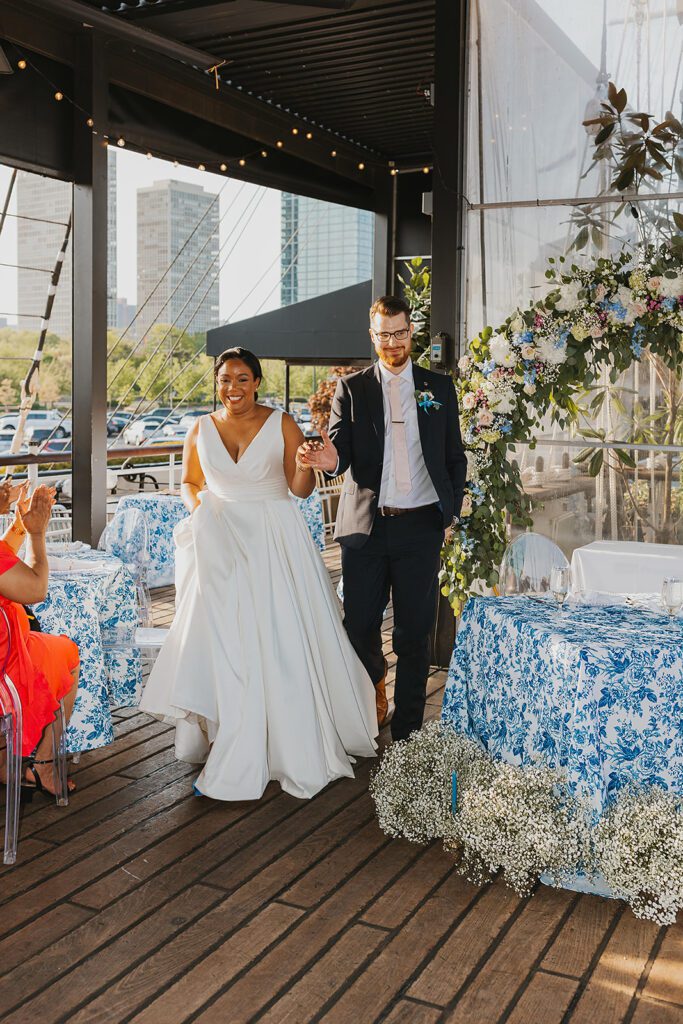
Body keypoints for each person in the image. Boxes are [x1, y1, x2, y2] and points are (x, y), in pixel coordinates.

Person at [140, 347, 377, 801]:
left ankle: (282, 739)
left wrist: (307, 465)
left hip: (273, 539)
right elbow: (191, 482)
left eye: (243, 379)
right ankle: (224, 730)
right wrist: (202, 512)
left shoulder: (281, 422)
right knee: (222, 637)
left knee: (277, 636)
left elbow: (300, 490)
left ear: (257, 381)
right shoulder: (199, 428)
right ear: (217, 382)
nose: (233, 388)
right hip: (219, 540)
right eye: (226, 379)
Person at [299, 295, 467, 742]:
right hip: (365, 529)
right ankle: (371, 697)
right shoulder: (351, 389)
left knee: (414, 634)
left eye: (399, 332)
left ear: (412, 332)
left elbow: (454, 456)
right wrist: (330, 458)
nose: (392, 342)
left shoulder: (438, 388)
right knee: (358, 626)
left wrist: (449, 513)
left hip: (420, 529)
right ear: (371, 337)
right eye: (383, 334)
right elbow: (340, 455)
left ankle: (409, 731)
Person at [0, 482, 80, 798]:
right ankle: (43, 764)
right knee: (67, 652)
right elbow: (34, 589)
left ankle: (6, 761)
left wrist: (20, 523)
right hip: (5, 666)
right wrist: (36, 534)